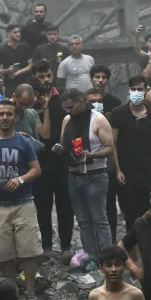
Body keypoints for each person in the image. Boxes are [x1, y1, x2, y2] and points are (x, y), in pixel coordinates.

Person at [0, 100, 43, 300]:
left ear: (15, 117)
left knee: (29, 249)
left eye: (9, 114)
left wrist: (20, 179)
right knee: (3, 251)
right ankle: (11, 292)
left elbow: (36, 170)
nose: (5, 118)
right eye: (1, 114)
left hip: (23, 202)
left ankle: (30, 292)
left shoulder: (23, 142)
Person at [56, 88, 114, 260]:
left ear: (82, 102)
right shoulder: (67, 119)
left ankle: (108, 260)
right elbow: (62, 143)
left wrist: (92, 155)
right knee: (83, 222)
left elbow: (110, 147)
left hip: (95, 174)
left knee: (100, 220)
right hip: (73, 174)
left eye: (71, 107)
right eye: (66, 108)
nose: (68, 111)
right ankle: (91, 259)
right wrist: (62, 151)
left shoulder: (98, 119)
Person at [31, 61, 74, 256]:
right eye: (42, 77)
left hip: (63, 160)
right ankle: (46, 246)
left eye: (49, 75)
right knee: (43, 205)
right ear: (35, 78)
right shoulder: (32, 101)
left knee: (65, 204)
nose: (46, 80)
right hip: (40, 160)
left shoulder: (64, 97)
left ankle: (66, 246)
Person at [111, 80, 151, 231]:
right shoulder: (118, 113)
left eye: (139, 89)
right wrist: (118, 170)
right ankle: (132, 248)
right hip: (126, 173)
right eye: (133, 89)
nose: (136, 92)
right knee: (129, 212)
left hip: (147, 171)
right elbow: (112, 144)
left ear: (145, 90)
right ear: (128, 90)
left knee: (149, 211)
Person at [0, 24, 33, 96]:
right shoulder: (2, 51)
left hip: (25, 83)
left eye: (19, 32)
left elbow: (31, 64)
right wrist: (7, 70)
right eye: (15, 32)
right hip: (10, 86)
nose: (18, 34)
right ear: (9, 34)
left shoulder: (25, 47)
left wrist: (19, 72)